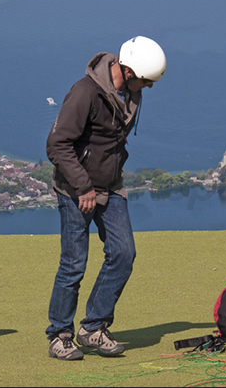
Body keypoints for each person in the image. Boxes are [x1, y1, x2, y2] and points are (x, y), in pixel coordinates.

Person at [45, 36, 167, 360]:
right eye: (146, 80)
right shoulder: (84, 92)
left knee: (124, 253)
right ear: (127, 70)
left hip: (111, 186)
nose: (148, 87)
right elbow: (57, 145)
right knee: (73, 265)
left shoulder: (132, 92)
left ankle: (93, 328)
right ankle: (59, 335)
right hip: (76, 190)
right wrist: (84, 186)